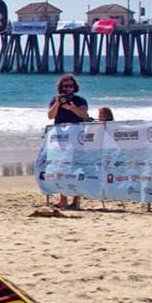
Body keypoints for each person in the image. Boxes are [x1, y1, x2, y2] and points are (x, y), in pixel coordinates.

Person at [47, 75, 88, 209]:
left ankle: (76, 201)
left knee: (76, 167)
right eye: (65, 86)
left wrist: (72, 108)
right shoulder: (55, 99)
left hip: (76, 136)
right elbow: (50, 116)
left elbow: (84, 115)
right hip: (60, 137)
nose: (68, 89)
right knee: (60, 167)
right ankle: (63, 199)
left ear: (74, 87)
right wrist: (58, 103)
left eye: (70, 86)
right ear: (61, 87)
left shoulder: (79, 100)